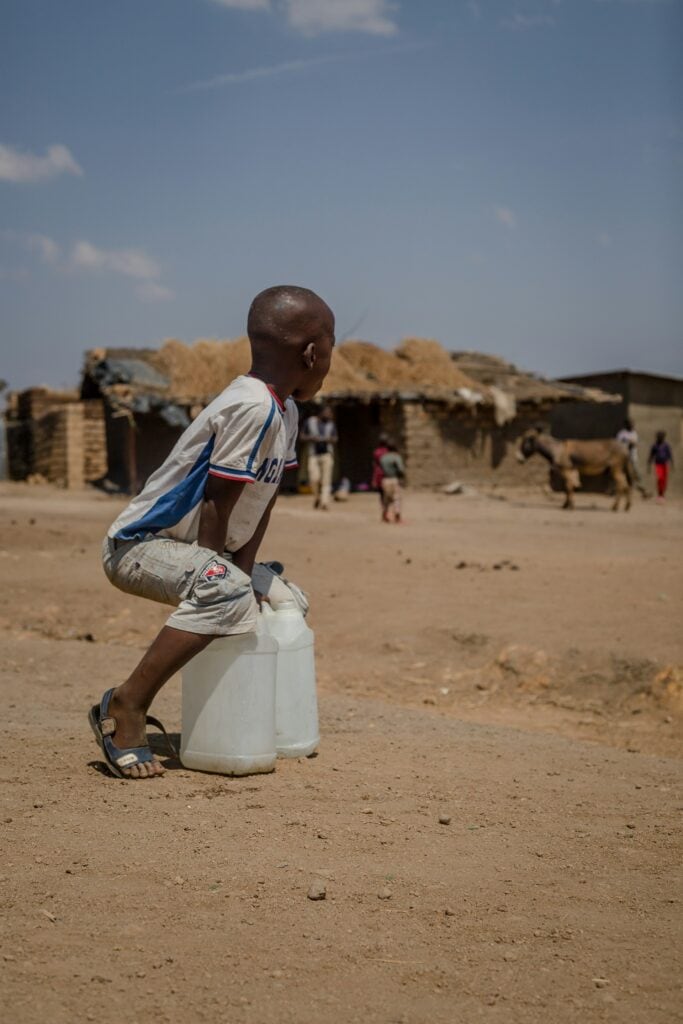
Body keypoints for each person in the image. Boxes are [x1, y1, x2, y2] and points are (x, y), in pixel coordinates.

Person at [89, 285, 335, 779]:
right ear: (312, 353)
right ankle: (126, 705)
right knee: (226, 591)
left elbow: (260, 502)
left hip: (195, 552)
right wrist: (226, 577)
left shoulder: (285, 410)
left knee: (287, 599)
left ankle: (265, 726)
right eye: (331, 347)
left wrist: (244, 574)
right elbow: (215, 505)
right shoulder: (252, 406)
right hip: (140, 546)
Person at [301, 405, 337, 510]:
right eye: (327, 412)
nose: (330, 414)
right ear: (320, 413)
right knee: (314, 479)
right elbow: (302, 436)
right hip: (313, 455)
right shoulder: (310, 422)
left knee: (326, 480)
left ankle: (325, 502)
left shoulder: (331, 424)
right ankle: (317, 497)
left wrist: (328, 439)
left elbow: (335, 439)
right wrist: (312, 438)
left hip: (327, 455)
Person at [616, 418, 646, 494]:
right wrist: (626, 441)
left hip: (633, 455)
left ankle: (642, 487)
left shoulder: (634, 433)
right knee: (621, 472)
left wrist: (633, 443)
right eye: (630, 423)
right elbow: (617, 444)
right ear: (626, 424)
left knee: (636, 470)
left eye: (632, 423)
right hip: (623, 456)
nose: (632, 425)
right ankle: (616, 489)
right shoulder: (622, 433)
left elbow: (636, 443)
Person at [379, 439, 405, 523]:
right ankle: (397, 516)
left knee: (386, 499)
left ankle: (385, 515)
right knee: (396, 498)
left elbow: (381, 467)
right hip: (394, 479)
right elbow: (401, 469)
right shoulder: (396, 457)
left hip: (385, 480)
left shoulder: (383, 458)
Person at [648, 430, 674, 502]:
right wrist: (649, 465)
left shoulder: (666, 446)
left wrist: (672, 464)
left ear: (664, 437)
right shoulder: (655, 445)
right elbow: (651, 455)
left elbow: (670, 455)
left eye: (661, 437)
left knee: (665, 480)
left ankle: (663, 495)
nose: (660, 438)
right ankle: (659, 494)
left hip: (665, 464)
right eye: (659, 437)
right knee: (660, 479)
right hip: (658, 464)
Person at [371, 433, 390, 512]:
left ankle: (384, 510)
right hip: (387, 475)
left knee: (382, 494)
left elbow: (375, 465)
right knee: (388, 494)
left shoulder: (376, 452)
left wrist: (374, 479)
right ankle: (386, 509)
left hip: (379, 474)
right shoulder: (388, 452)